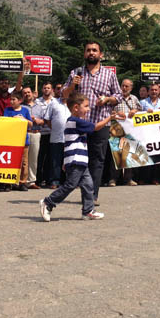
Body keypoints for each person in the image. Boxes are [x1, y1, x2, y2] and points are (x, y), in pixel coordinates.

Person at [61, 41, 121, 205]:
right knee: (78, 159)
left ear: (101, 54)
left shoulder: (109, 74)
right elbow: (64, 95)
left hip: (100, 122)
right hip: (80, 124)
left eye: (95, 50)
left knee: (97, 160)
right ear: (84, 54)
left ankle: (92, 195)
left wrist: (108, 99)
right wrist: (73, 85)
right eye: (88, 50)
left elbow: (119, 96)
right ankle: (73, 187)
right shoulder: (76, 73)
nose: (91, 53)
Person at [39, 92, 111, 222]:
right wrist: (110, 117)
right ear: (76, 108)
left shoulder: (76, 121)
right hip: (76, 159)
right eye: (86, 106)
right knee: (70, 185)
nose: (88, 109)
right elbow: (96, 127)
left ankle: (88, 211)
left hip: (80, 159)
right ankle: (48, 202)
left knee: (88, 185)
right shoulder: (75, 121)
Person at [111, 78, 142, 186]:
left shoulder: (134, 99)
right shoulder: (115, 98)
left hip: (131, 130)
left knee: (129, 153)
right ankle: (114, 179)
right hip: (117, 129)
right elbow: (109, 110)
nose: (124, 88)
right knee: (116, 153)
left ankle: (128, 179)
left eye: (126, 86)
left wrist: (135, 111)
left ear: (131, 88)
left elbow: (141, 111)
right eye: (123, 85)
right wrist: (116, 112)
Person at [3, 92, 32, 191]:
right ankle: (9, 182)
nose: (11, 101)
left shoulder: (25, 110)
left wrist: (23, 119)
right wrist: (13, 119)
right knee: (11, 161)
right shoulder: (7, 110)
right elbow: (5, 122)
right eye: (10, 99)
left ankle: (22, 182)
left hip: (23, 139)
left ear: (20, 100)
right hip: (11, 140)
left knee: (24, 162)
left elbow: (31, 124)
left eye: (13, 99)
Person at [44, 92, 70, 189]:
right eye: (62, 92)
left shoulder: (73, 103)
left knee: (69, 160)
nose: (64, 94)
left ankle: (69, 181)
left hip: (70, 138)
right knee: (55, 161)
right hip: (56, 137)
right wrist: (55, 127)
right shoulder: (53, 103)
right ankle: (55, 181)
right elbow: (47, 119)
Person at [23, 86, 45, 189]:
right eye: (25, 93)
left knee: (33, 159)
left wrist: (37, 120)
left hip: (36, 133)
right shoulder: (21, 107)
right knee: (24, 159)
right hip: (24, 133)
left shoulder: (39, 107)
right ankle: (23, 180)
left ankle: (31, 181)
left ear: (32, 93)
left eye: (28, 92)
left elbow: (44, 121)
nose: (27, 94)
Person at [35, 82, 54, 186]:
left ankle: (48, 179)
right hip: (41, 132)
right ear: (42, 89)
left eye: (48, 88)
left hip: (52, 132)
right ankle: (39, 179)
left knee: (50, 157)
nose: (46, 89)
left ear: (51, 90)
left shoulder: (55, 101)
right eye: (45, 88)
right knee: (40, 157)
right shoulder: (37, 101)